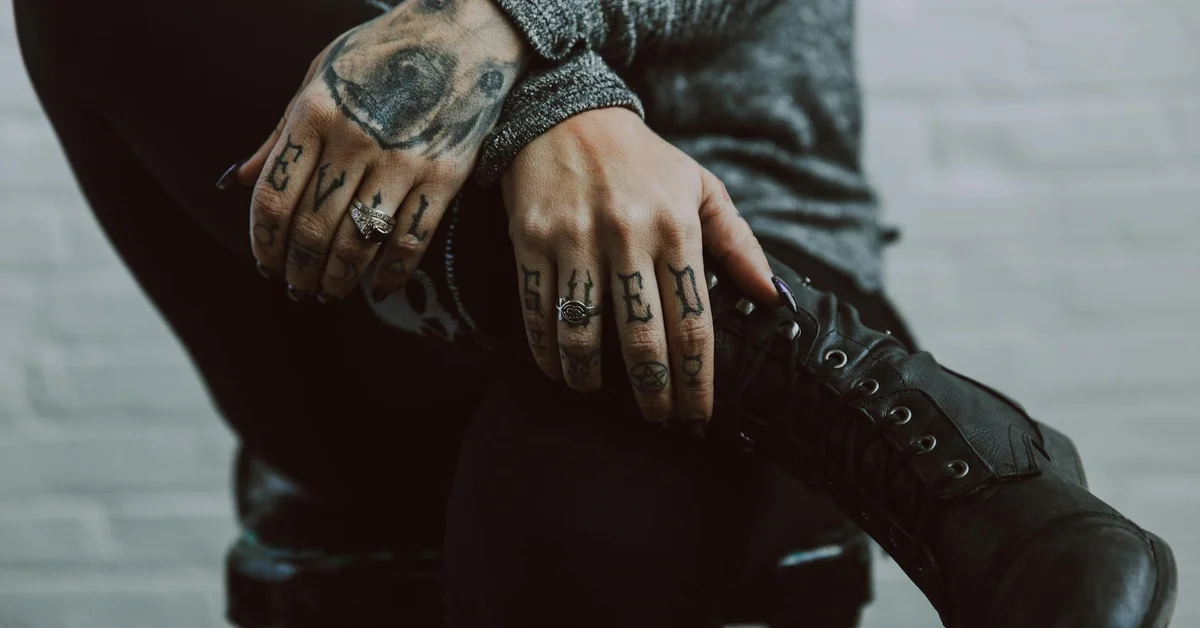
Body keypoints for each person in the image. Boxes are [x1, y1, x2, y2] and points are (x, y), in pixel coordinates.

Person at [15, 1, 1177, 628]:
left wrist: (512, 23)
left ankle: (794, 376)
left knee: (566, 526)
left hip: (753, 247)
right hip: (385, 322)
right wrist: (549, 115)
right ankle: (951, 467)